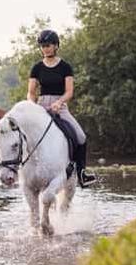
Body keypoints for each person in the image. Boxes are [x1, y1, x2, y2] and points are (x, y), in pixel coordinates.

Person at [28, 29, 96, 187]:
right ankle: (20, 170)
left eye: (48, 45)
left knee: (81, 136)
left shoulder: (65, 67)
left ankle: (81, 173)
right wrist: (31, 105)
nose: (45, 48)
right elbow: (31, 92)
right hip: (41, 105)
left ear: (56, 46)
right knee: (23, 135)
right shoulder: (36, 68)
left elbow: (69, 91)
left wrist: (59, 102)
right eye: (43, 45)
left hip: (60, 106)